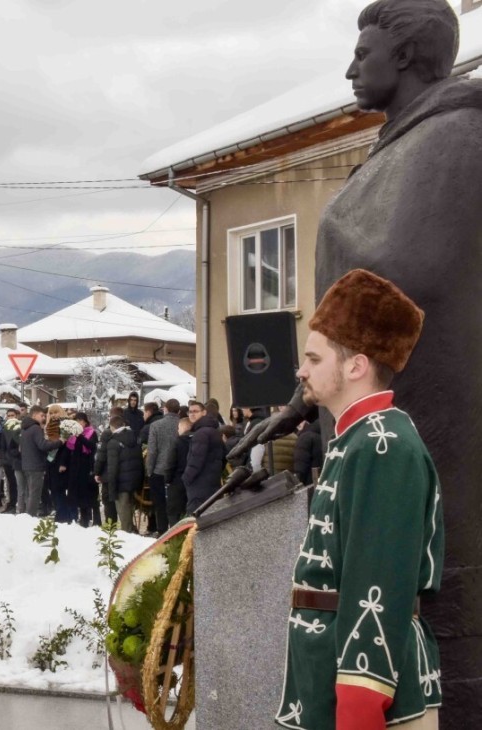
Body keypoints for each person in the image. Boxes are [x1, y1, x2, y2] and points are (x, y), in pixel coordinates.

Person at [226, 4, 481, 716]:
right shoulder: (402, 145)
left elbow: (407, 277)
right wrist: (302, 399)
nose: (349, 69)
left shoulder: (457, 138)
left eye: (363, 54)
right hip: (375, 417)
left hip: (437, 419)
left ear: (404, 56)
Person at [276, 269, 442, 730]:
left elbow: (378, 585)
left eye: (313, 358)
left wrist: (360, 707)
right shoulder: (359, 438)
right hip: (327, 682)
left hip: (370, 698)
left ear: (355, 366)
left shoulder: (382, 445)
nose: (301, 371)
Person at [94, 415, 142, 534]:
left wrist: (112, 488)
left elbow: (113, 467)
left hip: (120, 482)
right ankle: (130, 530)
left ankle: (127, 536)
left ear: (111, 427)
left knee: (123, 511)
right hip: (133, 479)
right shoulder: (134, 437)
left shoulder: (113, 442)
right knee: (129, 509)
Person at [18, 406, 63, 516]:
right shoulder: (35, 428)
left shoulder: (25, 428)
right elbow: (43, 445)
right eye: (42, 415)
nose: (43, 418)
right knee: (35, 494)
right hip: (36, 465)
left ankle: (28, 515)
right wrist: (59, 442)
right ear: (34, 415)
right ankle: (30, 516)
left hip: (27, 465)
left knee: (30, 493)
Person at [145, 398, 182, 534]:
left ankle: (162, 531)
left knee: (160, 504)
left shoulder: (155, 426)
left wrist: (149, 470)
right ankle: (177, 532)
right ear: (178, 411)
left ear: (165, 409)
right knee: (177, 504)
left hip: (158, 470)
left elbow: (152, 451)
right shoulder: (183, 424)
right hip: (177, 471)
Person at [182, 400, 225, 515]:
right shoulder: (214, 431)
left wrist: (187, 478)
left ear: (204, 412)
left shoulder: (201, 434)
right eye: (190, 412)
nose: (192, 414)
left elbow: (196, 459)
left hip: (199, 485)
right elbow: (223, 457)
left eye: (195, 411)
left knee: (196, 519)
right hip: (212, 482)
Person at [60, 412, 99, 527]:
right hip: (75, 467)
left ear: (85, 422)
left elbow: (91, 446)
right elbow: (68, 449)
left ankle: (91, 520)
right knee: (76, 495)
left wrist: (80, 436)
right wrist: (63, 463)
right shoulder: (72, 435)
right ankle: (79, 518)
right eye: (77, 421)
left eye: (81, 421)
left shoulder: (91, 433)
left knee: (87, 495)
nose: (79, 423)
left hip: (87, 467)